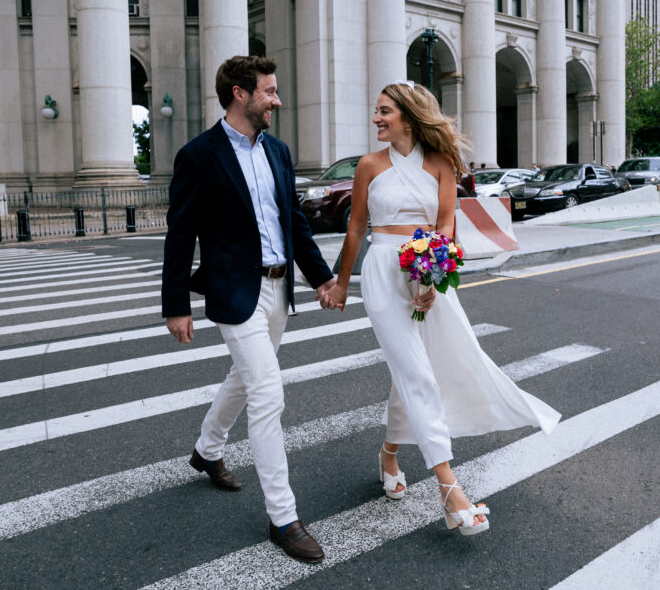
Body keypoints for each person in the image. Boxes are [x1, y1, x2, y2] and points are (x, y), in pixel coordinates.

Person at [323, 82, 560, 536]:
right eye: (376, 111)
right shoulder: (369, 166)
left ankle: (389, 453)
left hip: (428, 268)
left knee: (420, 368)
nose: (376, 118)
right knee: (417, 372)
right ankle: (450, 491)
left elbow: (446, 224)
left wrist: (432, 278)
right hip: (381, 271)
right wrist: (339, 284)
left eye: (384, 111)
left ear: (408, 117)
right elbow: (356, 229)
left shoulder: (441, 164)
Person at [161, 55, 337, 564]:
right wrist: (176, 305)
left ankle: (207, 450)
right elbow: (180, 235)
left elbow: (295, 225)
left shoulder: (278, 152)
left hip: (279, 290)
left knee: (244, 378)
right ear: (241, 94)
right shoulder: (199, 155)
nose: (276, 100)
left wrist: (322, 277)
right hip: (235, 293)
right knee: (266, 392)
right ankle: (283, 517)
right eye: (269, 92)